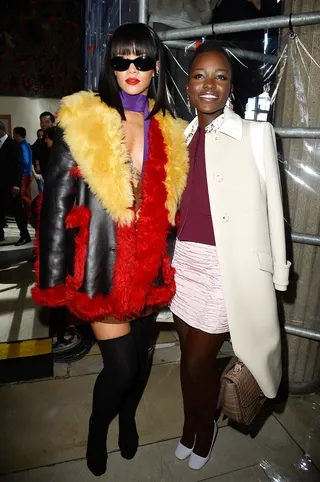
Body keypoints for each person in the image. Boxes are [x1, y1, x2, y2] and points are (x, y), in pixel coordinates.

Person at [32, 23, 188, 477]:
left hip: (149, 268)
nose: (133, 69)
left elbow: (173, 204)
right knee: (120, 369)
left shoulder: (168, 129)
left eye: (143, 60)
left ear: (156, 66)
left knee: (139, 366)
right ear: (110, 65)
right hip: (100, 265)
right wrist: (53, 283)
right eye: (123, 60)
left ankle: (129, 418)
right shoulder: (83, 122)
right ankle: (99, 429)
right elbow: (55, 206)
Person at [170, 40, 291, 470]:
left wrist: (278, 274)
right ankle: (190, 425)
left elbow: (274, 208)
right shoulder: (180, 136)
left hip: (228, 269)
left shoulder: (256, 134)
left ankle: (205, 430)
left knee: (198, 359)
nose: (209, 85)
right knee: (187, 359)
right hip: (184, 262)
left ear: (230, 88)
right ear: (188, 87)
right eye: (200, 76)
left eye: (219, 77)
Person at [0, 121, 31, 245]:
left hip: (12, 185)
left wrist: (17, 184)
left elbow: (19, 166)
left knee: (17, 211)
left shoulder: (13, 144)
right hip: (1, 185)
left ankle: (25, 235)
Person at [13, 127, 33, 222]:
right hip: (27, 173)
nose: (13, 136)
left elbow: (25, 161)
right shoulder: (24, 144)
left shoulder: (22, 146)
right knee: (27, 195)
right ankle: (28, 215)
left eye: (14, 134)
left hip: (24, 174)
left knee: (22, 195)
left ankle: (34, 209)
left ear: (18, 135)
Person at [33, 111, 55, 181]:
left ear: (53, 123)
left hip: (57, 179)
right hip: (46, 178)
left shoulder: (58, 138)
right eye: (41, 122)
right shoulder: (41, 140)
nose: (43, 124)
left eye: (47, 121)